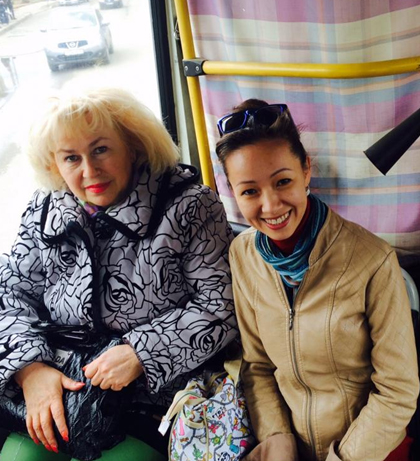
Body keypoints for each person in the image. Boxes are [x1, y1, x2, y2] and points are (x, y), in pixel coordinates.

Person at [0, 87, 237, 460]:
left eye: (100, 150)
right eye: (71, 157)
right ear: (54, 164)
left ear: (133, 146)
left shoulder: (189, 205)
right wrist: (30, 371)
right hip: (57, 379)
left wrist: (142, 352)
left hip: (151, 393)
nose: (89, 171)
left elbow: (222, 304)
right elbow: (10, 293)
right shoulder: (45, 208)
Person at [215, 99, 419, 461]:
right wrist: (277, 439)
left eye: (283, 182)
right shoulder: (242, 256)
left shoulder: (373, 261)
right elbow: (258, 367)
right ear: (233, 191)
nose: (271, 206)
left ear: (306, 170)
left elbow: (397, 392)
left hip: (369, 450)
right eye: (250, 191)